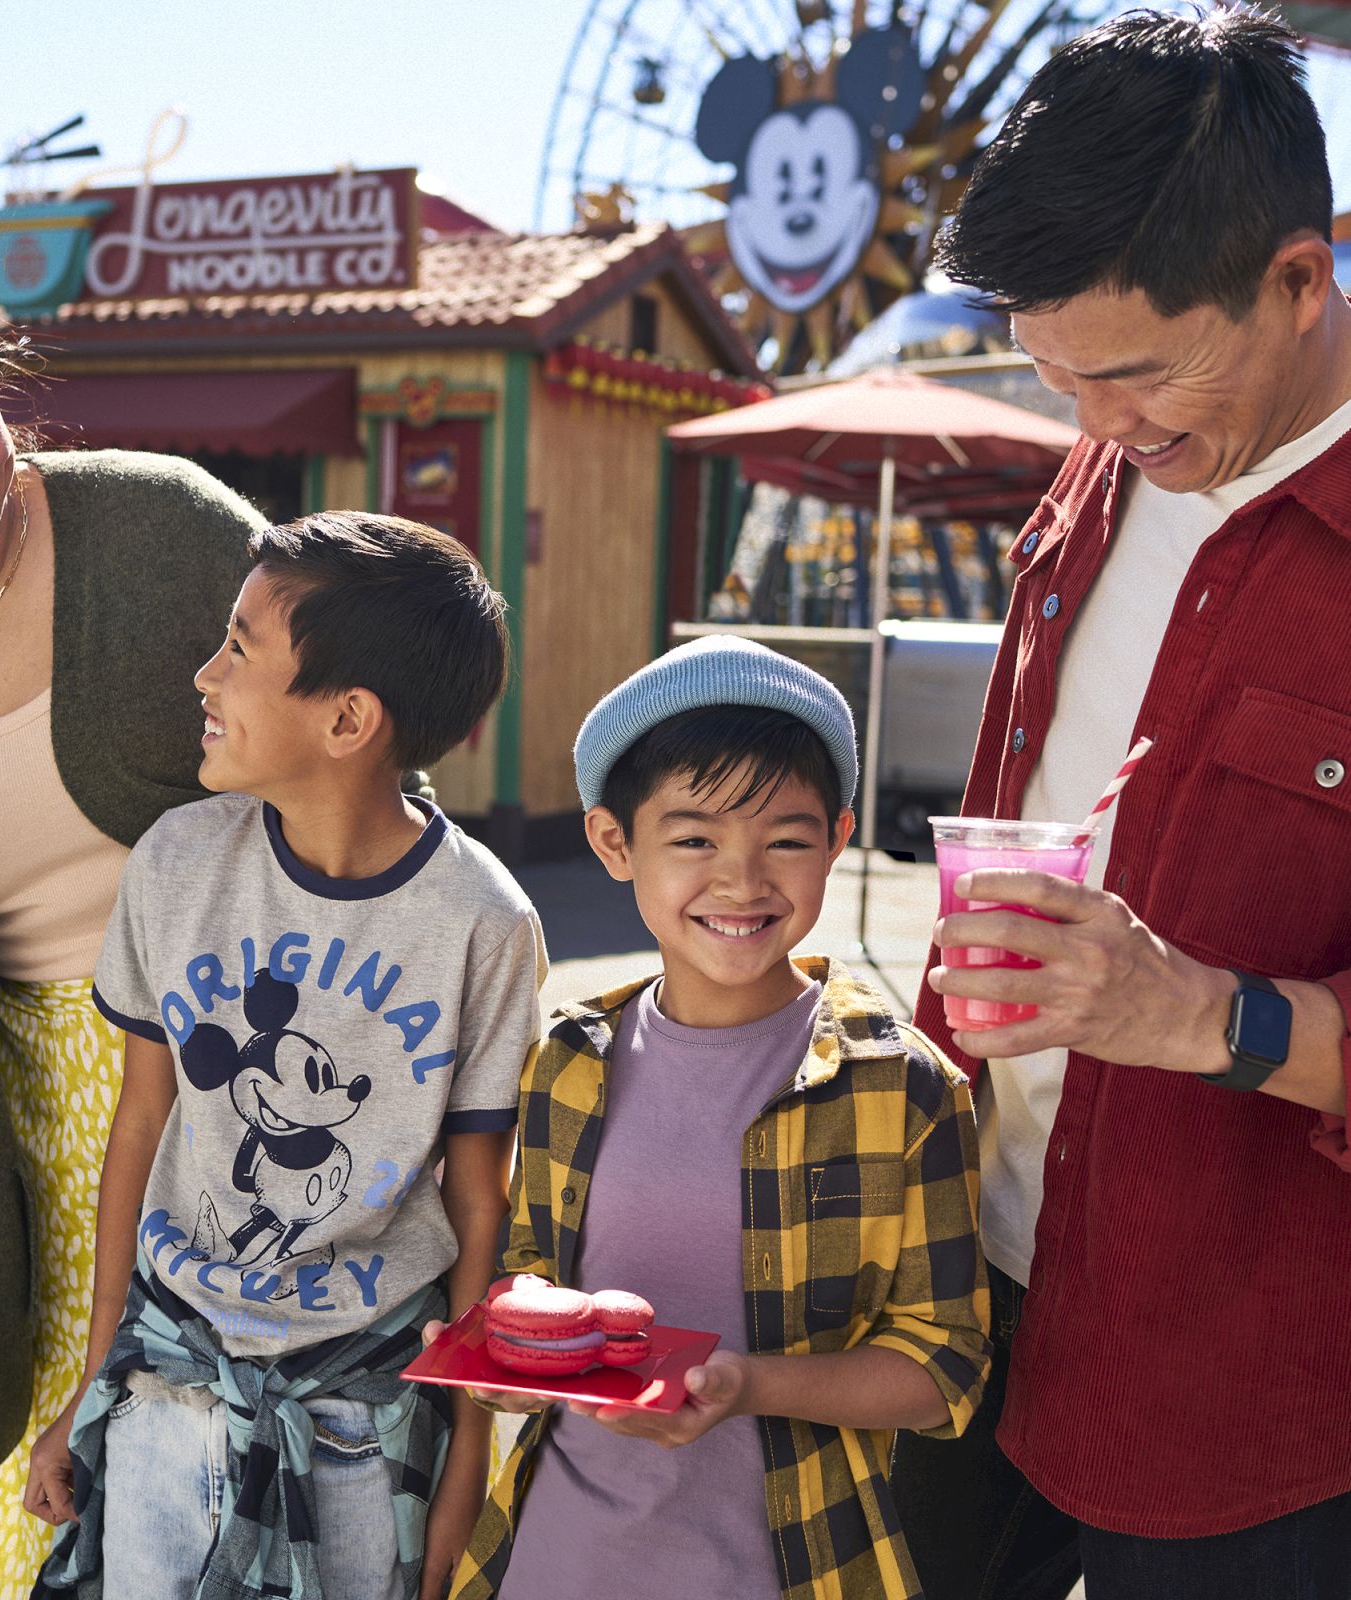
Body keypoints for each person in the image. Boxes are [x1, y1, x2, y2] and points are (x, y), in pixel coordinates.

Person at [891, 12, 1351, 1600]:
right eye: (1053, 375)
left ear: (1303, 278)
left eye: (1141, 373)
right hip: (962, 1289)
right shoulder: (1112, 452)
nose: (1096, 428)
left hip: (1247, 1393)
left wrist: (1203, 1016)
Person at [0, 220, 267, 1598]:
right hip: (29, 1134)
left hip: (269, 1092)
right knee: (76, 1516)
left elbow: (375, 752)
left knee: (284, 1514)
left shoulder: (163, 527)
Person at [22, 510, 546, 1600]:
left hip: (366, 1410)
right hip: (170, 1381)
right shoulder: (176, 865)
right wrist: (94, 1379)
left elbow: (480, 1204)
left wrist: (463, 1473)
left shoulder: (482, 921)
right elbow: (142, 1121)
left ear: (350, 717)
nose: (205, 675)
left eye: (241, 648)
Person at [445, 636, 991, 1600]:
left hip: (794, 1566)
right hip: (557, 1559)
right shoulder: (569, 1058)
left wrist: (746, 1385)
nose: (741, 881)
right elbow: (531, 1273)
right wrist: (507, 1353)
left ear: (838, 836)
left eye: (785, 837)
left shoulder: (903, 1085)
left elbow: (943, 1366)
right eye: (694, 839)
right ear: (615, 843)